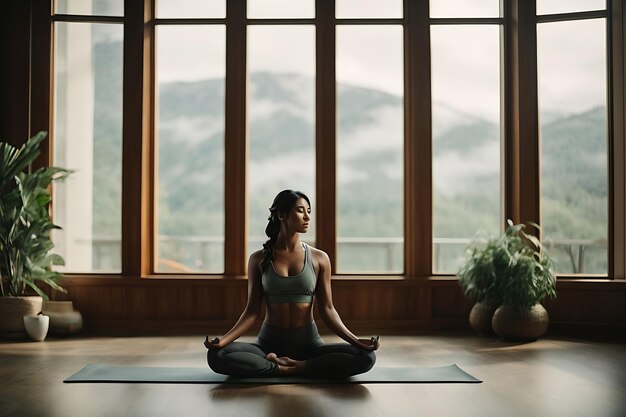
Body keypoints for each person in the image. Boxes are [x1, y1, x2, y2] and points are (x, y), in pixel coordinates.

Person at [205, 189, 379, 378]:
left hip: (309, 345)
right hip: (267, 345)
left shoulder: (320, 258)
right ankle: (283, 367)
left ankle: (297, 366)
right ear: (281, 215)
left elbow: (328, 310)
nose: (307, 217)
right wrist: (223, 341)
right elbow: (252, 311)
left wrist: (356, 341)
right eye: (300, 210)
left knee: (366, 357)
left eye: (309, 211)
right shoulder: (258, 259)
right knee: (217, 356)